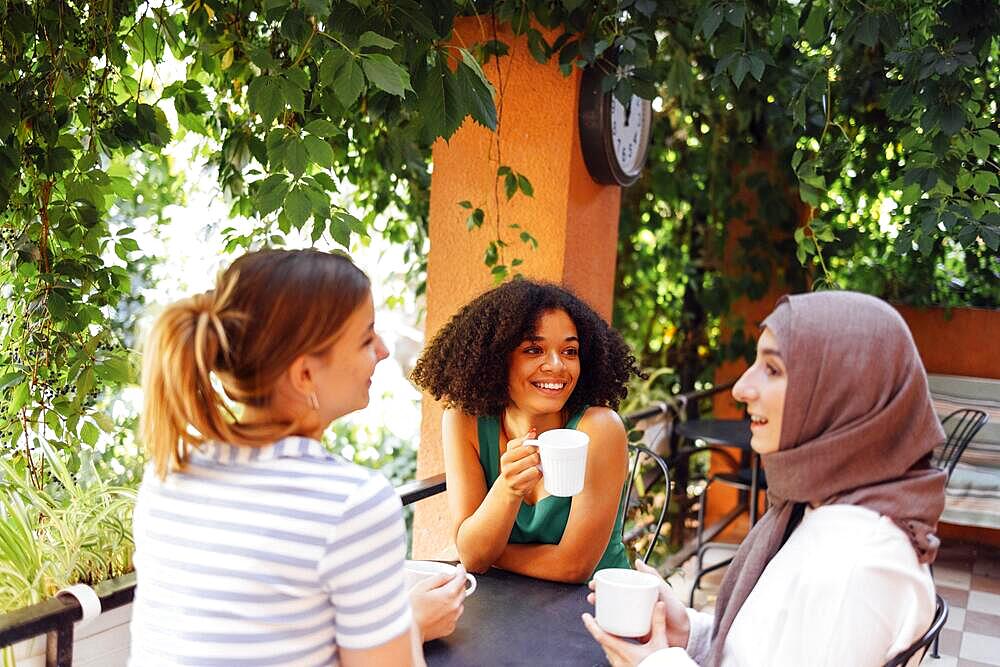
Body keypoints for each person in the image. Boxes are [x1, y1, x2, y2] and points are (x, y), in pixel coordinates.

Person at [130, 249, 466, 667]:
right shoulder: (352, 503)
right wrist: (409, 623)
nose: (381, 350)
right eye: (365, 338)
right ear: (304, 374)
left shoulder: (169, 473)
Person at [582, 291, 947, 666]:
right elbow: (769, 649)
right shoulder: (823, 510)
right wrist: (689, 633)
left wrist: (656, 663)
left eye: (773, 369)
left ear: (842, 394)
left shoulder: (857, 565)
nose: (741, 388)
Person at [411, 279, 644, 583]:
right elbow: (472, 555)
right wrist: (507, 489)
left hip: (598, 611)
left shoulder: (600, 429)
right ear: (496, 358)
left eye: (570, 351)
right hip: (510, 608)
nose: (557, 365)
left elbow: (574, 568)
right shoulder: (463, 421)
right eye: (534, 349)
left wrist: (486, 554)